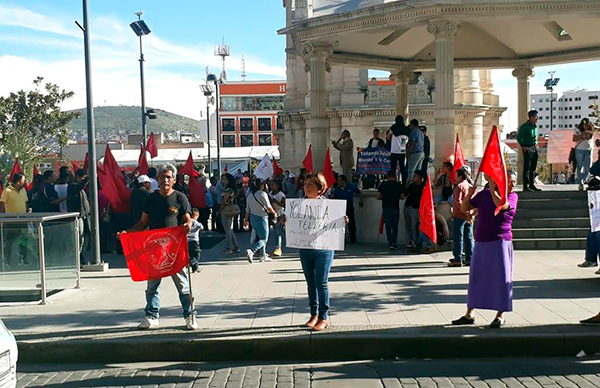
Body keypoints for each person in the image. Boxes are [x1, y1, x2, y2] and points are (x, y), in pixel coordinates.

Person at [120, 163, 197, 331]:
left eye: (169, 177)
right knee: (152, 286)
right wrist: (127, 233)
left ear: (174, 179)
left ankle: (189, 316)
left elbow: (187, 219)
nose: (165, 180)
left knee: (183, 285)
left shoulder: (180, 197)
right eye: (162, 177)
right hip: (154, 250)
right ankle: (151, 316)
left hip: (174, 250)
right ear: (158, 179)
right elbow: (143, 223)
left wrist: (188, 225)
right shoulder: (151, 198)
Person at [452, 171, 519, 329]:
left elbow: (501, 206)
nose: (513, 184)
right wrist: (470, 193)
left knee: (501, 279)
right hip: (482, 241)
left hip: (500, 241)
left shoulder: (512, 196)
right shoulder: (484, 194)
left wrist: (493, 190)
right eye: (510, 180)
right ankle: (470, 313)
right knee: (477, 277)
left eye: (514, 181)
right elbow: (464, 207)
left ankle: (500, 315)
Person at [291, 172, 348, 331]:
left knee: (321, 283)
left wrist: (342, 220)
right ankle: (313, 314)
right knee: (310, 284)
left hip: (323, 249)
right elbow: (293, 223)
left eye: (311, 185)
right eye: (305, 184)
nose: (306, 188)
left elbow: (336, 223)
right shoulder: (299, 205)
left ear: (320, 188)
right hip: (306, 248)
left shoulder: (329, 206)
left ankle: (324, 316)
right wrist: (286, 221)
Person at [0, 173, 30, 266]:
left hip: (23, 220)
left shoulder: (23, 190)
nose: (24, 182)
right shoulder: (7, 190)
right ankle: (7, 260)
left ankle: (23, 258)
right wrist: (3, 217)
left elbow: (26, 203)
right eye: (23, 180)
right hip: (11, 220)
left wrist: (27, 214)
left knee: (24, 240)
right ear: (18, 182)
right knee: (10, 241)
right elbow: (2, 204)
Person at [244, 178, 277, 263]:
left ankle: (263, 255)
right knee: (264, 238)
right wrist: (274, 213)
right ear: (261, 185)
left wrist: (246, 220)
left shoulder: (250, 195)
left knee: (260, 237)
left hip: (252, 218)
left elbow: (247, 209)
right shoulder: (262, 194)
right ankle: (252, 250)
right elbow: (268, 206)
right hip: (262, 218)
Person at [448, 168, 474, 267]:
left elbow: (458, 202)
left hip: (459, 215)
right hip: (468, 215)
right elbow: (473, 201)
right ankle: (469, 258)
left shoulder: (458, 187)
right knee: (469, 237)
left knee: (458, 237)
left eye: (456, 176)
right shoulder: (470, 186)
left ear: (460, 176)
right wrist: (470, 213)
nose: (454, 178)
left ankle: (458, 258)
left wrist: (464, 212)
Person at [66, 169, 91, 266]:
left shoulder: (79, 189)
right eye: (82, 178)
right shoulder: (72, 186)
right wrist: (88, 178)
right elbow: (79, 187)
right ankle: (78, 258)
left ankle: (80, 256)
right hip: (77, 217)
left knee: (82, 238)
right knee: (78, 238)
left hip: (83, 216)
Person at [333, 175, 364, 244]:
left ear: (343, 181)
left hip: (349, 206)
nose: (338, 182)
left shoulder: (350, 187)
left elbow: (360, 192)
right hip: (340, 208)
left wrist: (361, 200)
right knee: (340, 224)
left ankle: (353, 238)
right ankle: (342, 240)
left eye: (339, 180)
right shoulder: (337, 190)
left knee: (351, 223)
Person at [377, 170, 404, 250]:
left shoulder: (383, 185)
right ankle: (394, 242)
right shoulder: (398, 185)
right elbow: (402, 197)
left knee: (388, 226)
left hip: (386, 207)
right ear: (395, 176)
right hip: (395, 207)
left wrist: (384, 198)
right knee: (395, 226)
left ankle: (390, 242)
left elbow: (378, 196)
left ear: (387, 176)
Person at [517, 110, 541, 192]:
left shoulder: (535, 126)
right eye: (535, 116)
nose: (536, 118)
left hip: (534, 147)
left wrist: (537, 145)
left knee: (533, 167)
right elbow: (519, 137)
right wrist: (523, 145)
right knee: (526, 167)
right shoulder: (524, 126)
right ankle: (525, 186)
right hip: (527, 147)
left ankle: (532, 184)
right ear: (530, 117)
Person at [217, 173, 240, 254]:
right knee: (229, 229)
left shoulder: (228, 190)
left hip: (226, 210)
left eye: (225, 179)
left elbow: (223, 201)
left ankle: (228, 247)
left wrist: (219, 211)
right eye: (222, 179)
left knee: (227, 230)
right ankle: (236, 246)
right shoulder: (232, 189)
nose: (223, 181)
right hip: (231, 209)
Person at [402, 170, 424, 248]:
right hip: (408, 206)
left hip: (416, 208)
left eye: (415, 176)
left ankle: (416, 241)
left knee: (414, 226)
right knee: (408, 224)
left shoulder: (423, 187)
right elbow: (404, 195)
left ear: (419, 178)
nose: (413, 178)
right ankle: (411, 240)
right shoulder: (412, 185)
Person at [573, 118, 594, 191]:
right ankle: (580, 181)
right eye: (584, 125)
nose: (585, 126)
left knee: (588, 166)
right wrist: (582, 135)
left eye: (587, 125)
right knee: (580, 166)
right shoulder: (578, 130)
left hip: (589, 149)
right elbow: (574, 139)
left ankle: (585, 179)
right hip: (579, 149)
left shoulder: (592, 129)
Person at [389, 115, 410, 184]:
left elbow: (389, 137)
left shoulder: (393, 128)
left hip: (394, 151)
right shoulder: (406, 129)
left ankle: (393, 181)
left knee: (393, 168)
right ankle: (404, 182)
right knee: (402, 168)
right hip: (402, 151)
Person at [268, 180, 286, 257]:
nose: (271, 186)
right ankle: (276, 247)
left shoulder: (281, 194)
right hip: (273, 215)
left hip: (280, 214)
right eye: (270, 185)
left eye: (273, 185)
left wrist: (276, 201)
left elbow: (284, 205)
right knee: (275, 231)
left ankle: (278, 248)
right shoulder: (269, 194)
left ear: (277, 186)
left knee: (277, 232)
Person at [406, 119, 425, 183]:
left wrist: (408, 153)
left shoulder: (413, 132)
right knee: (418, 171)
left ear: (412, 125)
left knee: (411, 170)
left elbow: (411, 143)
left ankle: (409, 183)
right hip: (421, 152)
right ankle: (418, 183)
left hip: (415, 153)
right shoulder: (421, 132)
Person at [188, 208, 203, 273]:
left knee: (191, 253)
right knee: (196, 254)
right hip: (194, 240)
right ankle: (192, 262)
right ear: (195, 216)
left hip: (187, 240)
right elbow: (201, 227)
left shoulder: (187, 222)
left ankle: (195, 268)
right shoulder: (195, 223)